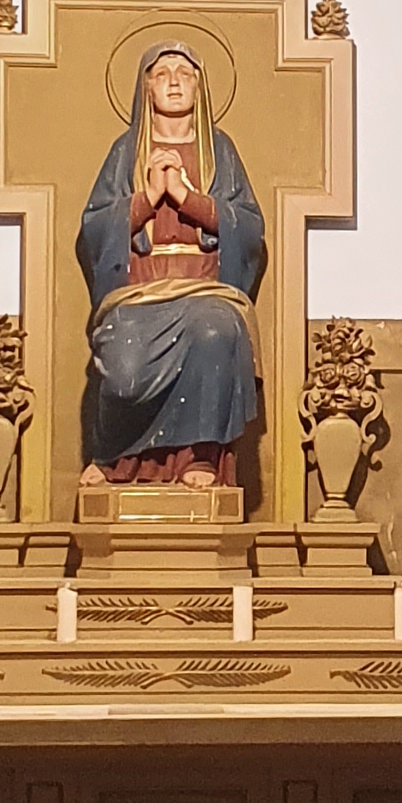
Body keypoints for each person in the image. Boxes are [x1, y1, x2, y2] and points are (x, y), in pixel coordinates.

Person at [75, 42, 265, 485]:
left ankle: (201, 456)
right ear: (146, 89)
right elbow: (95, 228)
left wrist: (186, 198)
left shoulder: (219, 151)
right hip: (138, 293)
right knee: (122, 365)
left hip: (204, 290)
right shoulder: (127, 151)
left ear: (201, 87)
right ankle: (116, 458)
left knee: (216, 331)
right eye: (162, 74)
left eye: (185, 73)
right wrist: (146, 199)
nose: (175, 82)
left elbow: (250, 228)